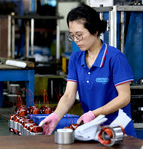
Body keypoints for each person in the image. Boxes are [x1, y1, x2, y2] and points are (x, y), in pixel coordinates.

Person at [39, 3, 136, 137]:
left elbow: (124, 97)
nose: (76, 40)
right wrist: (56, 116)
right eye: (72, 35)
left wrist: (94, 113)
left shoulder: (115, 58)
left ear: (95, 31)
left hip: (119, 133)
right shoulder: (75, 58)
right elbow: (69, 95)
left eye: (79, 35)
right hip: (93, 133)